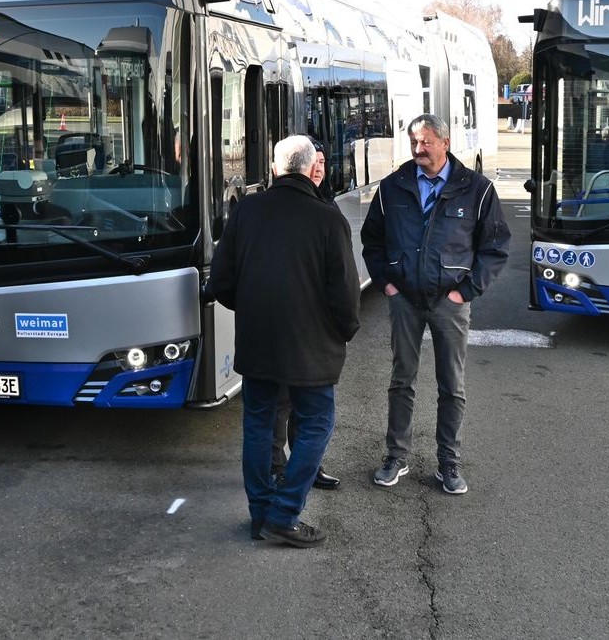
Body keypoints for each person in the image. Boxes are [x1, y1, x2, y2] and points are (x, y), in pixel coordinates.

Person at [207, 135, 360, 548]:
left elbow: (221, 282)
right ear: (313, 169)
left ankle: (261, 515)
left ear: (274, 169)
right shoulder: (328, 219)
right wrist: (343, 332)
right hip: (312, 349)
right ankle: (285, 513)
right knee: (317, 425)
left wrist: (255, 310)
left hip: (258, 344)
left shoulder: (247, 211)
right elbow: (345, 296)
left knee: (258, 425)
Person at [362, 113, 510, 495]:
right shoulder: (393, 187)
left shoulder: (476, 189)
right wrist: (386, 285)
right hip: (405, 299)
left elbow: (495, 248)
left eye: (426, 142)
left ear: (445, 142)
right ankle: (396, 457)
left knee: (452, 385)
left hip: (450, 301)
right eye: (414, 142)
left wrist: (466, 291)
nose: (418, 149)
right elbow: (372, 240)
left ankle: (449, 463)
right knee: (401, 380)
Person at [270, 141, 340, 491]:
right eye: (314, 163)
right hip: (289, 327)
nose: (318, 168)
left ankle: (306, 466)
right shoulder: (279, 207)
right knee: (281, 404)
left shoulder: (327, 207)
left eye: (323, 163)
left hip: (315, 332)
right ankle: (278, 467)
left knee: (303, 408)